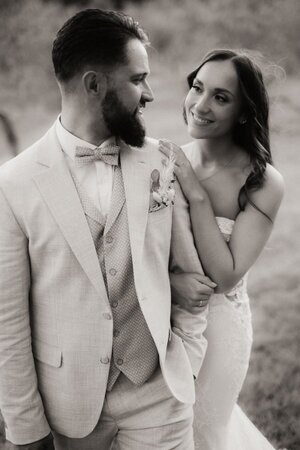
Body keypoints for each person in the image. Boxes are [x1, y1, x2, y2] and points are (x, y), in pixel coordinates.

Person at [0, 9, 214, 450]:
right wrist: (25, 426)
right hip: (69, 406)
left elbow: (191, 274)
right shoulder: (13, 184)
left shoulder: (161, 161)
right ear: (94, 84)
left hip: (159, 396)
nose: (150, 94)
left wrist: (187, 359)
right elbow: (8, 320)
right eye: (137, 79)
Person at [159, 49, 284, 449]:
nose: (200, 105)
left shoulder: (262, 182)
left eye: (221, 97)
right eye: (197, 88)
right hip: (162, 319)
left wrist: (195, 195)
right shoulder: (165, 162)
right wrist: (172, 281)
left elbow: (226, 277)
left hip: (220, 332)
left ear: (244, 112)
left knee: (205, 433)